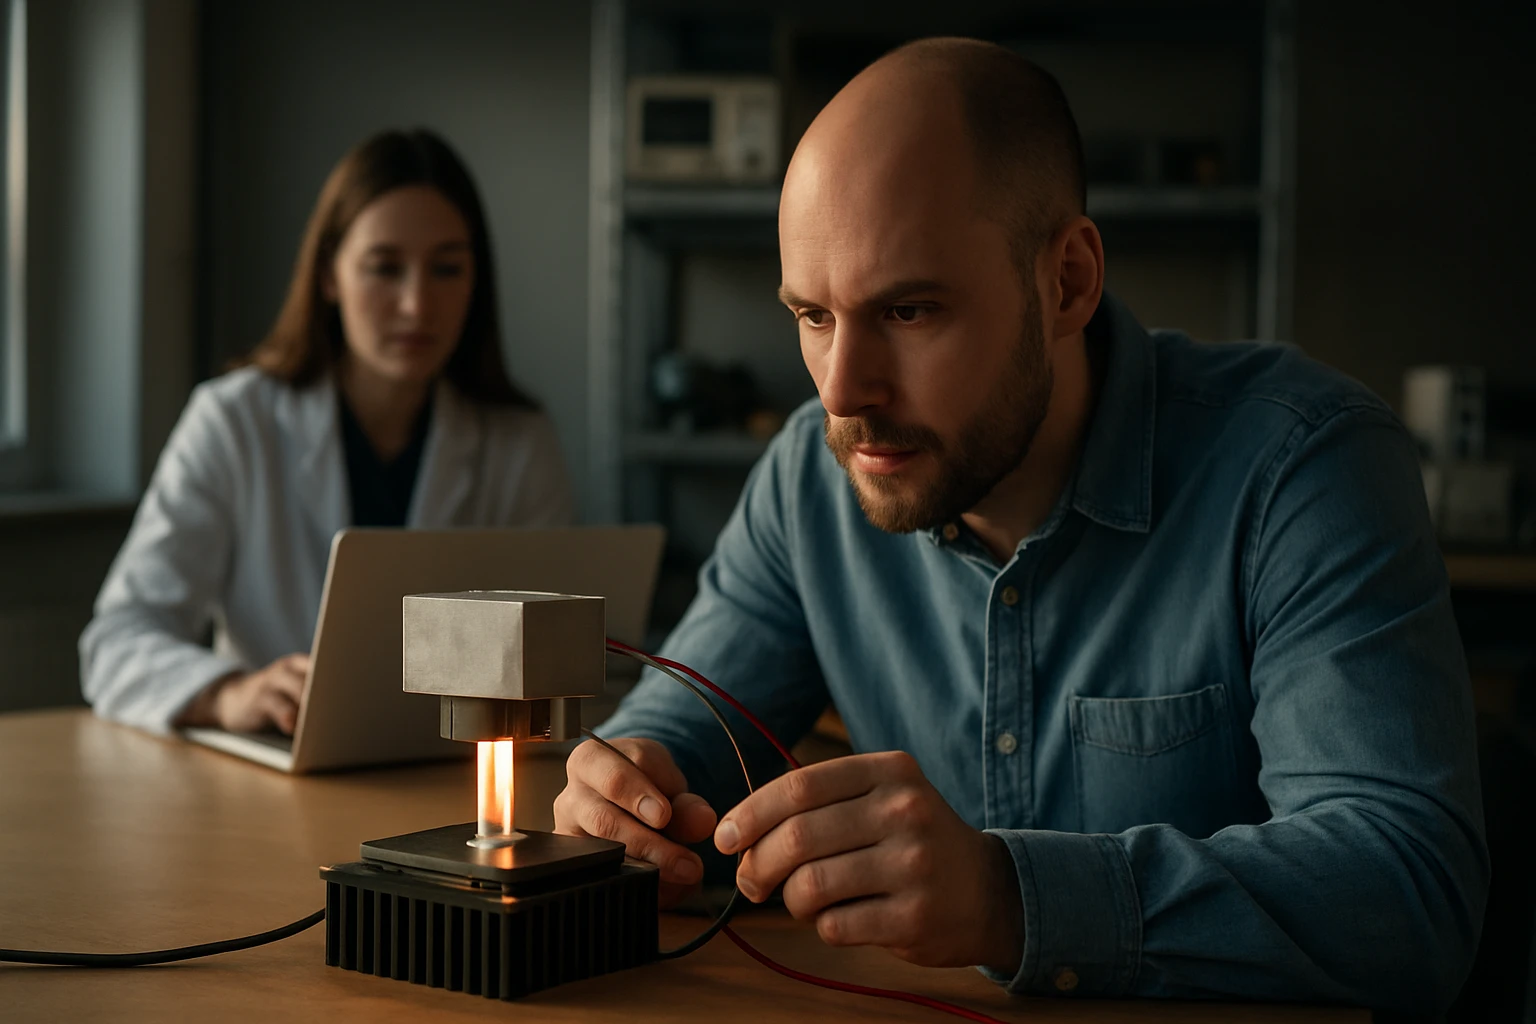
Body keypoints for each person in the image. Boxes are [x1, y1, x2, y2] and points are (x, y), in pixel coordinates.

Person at [556, 38, 1488, 1012]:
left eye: (909, 310)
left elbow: (1412, 893)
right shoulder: (811, 475)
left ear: (1068, 283)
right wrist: (631, 794)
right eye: (814, 315)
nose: (843, 392)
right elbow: (684, 731)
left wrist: (1010, 897)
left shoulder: (1301, 466)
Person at [81, 129, 573, 736]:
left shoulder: (518, 442)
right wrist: (229, 694)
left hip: (457, 778)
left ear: (477, 282)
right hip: (269, 775)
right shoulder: (235, 421)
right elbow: (117, 639)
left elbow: (558, 659)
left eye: (447, 268)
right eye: (384, 268)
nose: (417, 304)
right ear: (328, 276)